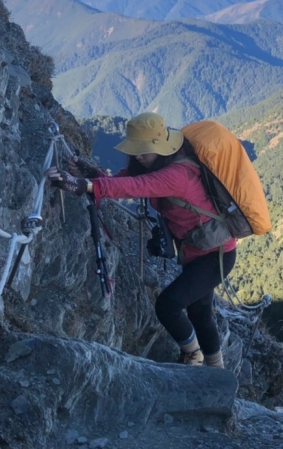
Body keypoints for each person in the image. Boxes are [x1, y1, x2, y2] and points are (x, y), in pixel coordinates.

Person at [46, 112, 236, 368]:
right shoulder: (156, 163)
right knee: (200, 313)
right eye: (136, 150)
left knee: (169, 305)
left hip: (215, 255)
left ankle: (195, 356)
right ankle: (216, 370)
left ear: (159, 148)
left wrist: (84, 185)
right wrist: (93, 176)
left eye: (143, 151)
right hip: (198, 251)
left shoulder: (176, 175)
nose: (138, 156)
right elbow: (126, 182)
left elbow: (137, 187)